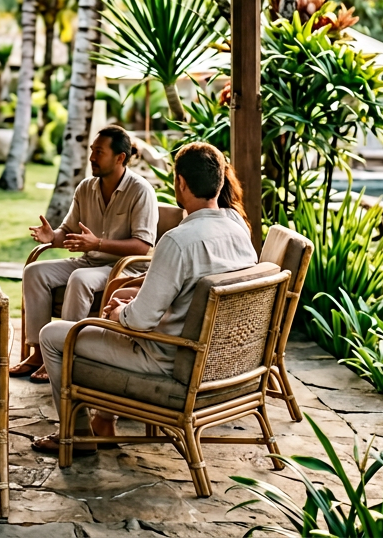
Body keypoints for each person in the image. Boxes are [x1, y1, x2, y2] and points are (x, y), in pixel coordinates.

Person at [30, 142, 258, 455]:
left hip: (168, 362)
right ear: (220, 182)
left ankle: (77, 432)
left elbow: (140, 321)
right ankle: (102, 420)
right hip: (219, 359)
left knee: (54, 335)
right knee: (121, 300)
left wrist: (117, 313)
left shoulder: (178, 241)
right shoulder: (237, 228)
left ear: (180, 183)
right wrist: (127, 302)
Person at [10, 125, 159, 383]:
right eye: (92, 150)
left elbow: (142, 246)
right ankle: (38, 353)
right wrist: (52, 238)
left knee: (80, 278)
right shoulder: (86, 188)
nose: (92, 157)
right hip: (90, 260)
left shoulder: (141, 191)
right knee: (34, 271)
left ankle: (64, 352)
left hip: (126, 268)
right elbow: (67, 231)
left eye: (99, 152)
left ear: (119, 158)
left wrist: (98, 243)